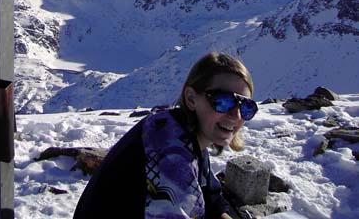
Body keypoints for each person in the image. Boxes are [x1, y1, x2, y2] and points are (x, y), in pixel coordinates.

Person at [73, 51, 258, 219]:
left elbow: (212, 199)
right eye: (223, 101)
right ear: (191, 98)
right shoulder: (169, 151)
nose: (236, 115)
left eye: (246, 106)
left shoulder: (184, 133)